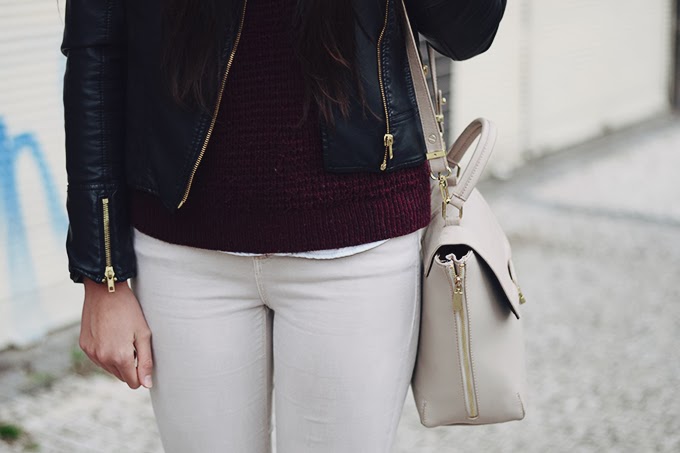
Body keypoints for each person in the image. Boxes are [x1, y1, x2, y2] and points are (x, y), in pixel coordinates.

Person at [60, 0, 506, 451]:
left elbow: (467, 33)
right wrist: (103, 277)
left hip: (360, 247)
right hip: (183, 254)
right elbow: (95, 55)